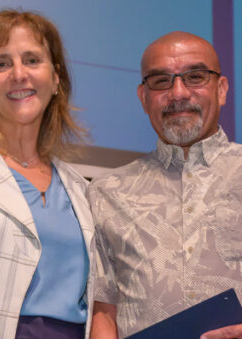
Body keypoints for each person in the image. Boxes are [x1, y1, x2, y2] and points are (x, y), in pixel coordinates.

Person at [0, 10, 97, 338]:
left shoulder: (80, 189)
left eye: (32, 60)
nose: (18, 74)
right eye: (1, 63)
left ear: (55, 79)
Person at [88, 31, 242, 339]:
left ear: (222, 89)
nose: (178, 93)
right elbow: (104, 311)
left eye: (195, 77)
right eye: (161, 81)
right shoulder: (106, 192)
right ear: (143, 97)